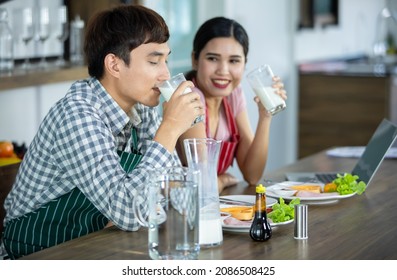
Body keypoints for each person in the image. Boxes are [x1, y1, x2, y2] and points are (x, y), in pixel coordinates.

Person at [1, 4, 204, 259]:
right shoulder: (78, 116)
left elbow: (178, 199)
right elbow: (131, 212)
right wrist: (170, 129)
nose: (165, 74)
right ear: (114, 65)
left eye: (166, 59)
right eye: (154, 61)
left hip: (90, 247)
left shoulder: (143, 109)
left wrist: (133, 209)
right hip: (33, 255)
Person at [179, 17, 287, 193]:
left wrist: (265, 116)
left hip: (213, 203)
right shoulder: (190, 98)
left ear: (244, 64)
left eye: (234, 61)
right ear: (195, 60)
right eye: (213, 58)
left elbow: (252, 175)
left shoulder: (233, 96)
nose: (223, 70)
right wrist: (221, 181)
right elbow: (203, 183)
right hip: (184, 207)